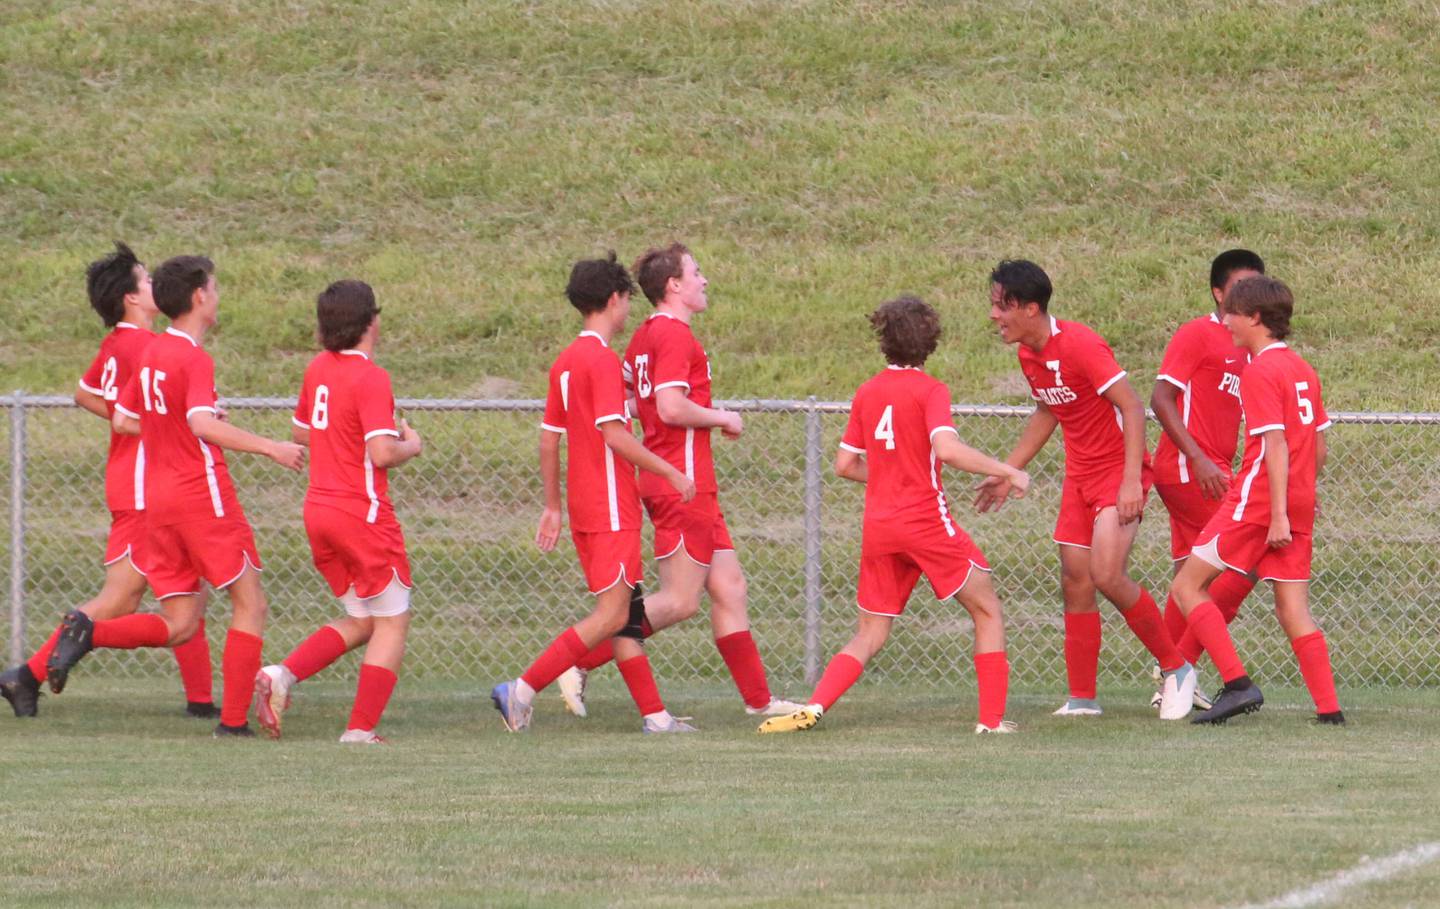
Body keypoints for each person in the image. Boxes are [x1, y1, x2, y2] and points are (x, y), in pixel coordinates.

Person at [44, 254, 305, 737]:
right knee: (251, 603)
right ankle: (232, 722)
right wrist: (270, 446)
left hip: (158, 504)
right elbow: (201, 423)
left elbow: (123, 419)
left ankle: (90, 630)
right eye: (216, 288)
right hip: (201, 498)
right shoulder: (193, 356)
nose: (218, 296)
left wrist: (179, 420)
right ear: (200, 297)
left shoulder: (148, 354)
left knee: (181, 622)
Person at [759, 296, 1028, 735]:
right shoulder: (931, 390)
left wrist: (889, 477)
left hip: (880, 527)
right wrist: (1008, 469)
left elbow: (845, 465)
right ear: (930, 340)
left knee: (869, 632)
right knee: (987, 610)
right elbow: (947, 449)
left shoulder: (868, 391)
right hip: (924, 522)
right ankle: (991, 722)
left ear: (884, 340)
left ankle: (815, 707)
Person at [560, 244, 799, 720]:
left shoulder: (645, 336)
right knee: (679, 601)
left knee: (729, 587)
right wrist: (723, 417)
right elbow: (669, 406)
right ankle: (577, 661)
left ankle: (759, 701)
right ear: (674, 285)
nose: (704, 280)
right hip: (681, 485)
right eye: (696, 272)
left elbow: (632, 398)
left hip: (684, 483)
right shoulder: (672, 337)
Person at [1, 243, 215, 719]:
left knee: (173, 587)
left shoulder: (117, 343)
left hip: (128, 481)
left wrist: (138, 421)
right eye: (146, 280)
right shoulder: (147, 346)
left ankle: (201, 701)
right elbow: (124, 418)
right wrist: (167, 427)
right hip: (148, 486)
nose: (155, 285)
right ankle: (30, 673)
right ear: (131, 299)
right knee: (128, 597)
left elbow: (85, 393)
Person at [490, 253, 698, 734]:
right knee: (610, 615)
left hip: (586, 506)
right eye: (627, 300)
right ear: (614, 300)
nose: (628, 310)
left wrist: (552, 506)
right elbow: (616, 436)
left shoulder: (565, 361)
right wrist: (671, 471)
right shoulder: (602, 360)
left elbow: (548, 438)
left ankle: (656, 716)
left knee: (623, 614)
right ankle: (520, 689)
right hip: (610, 505)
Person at [979, 259, 1195, 718]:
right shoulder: (1028, 354)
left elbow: (1134, 408)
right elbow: (1048, 412)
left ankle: (1177, 668)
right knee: (1076, 582)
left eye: (1002, 306)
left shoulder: (1079, 344)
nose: (994, 315)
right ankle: (1082, 700)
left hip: (1117, 474)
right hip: (1080, 477)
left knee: (1106, 574)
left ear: (1031, 308)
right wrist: (1007, 470)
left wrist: (1132, 480)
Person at [1161, 276, 1342, 724]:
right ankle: (1329, 711)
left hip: (1260, 502)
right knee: (1292, 608)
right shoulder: (1302, 368)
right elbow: (1317, 446)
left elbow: (1275, 444)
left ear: (1256, 318)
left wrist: (1277, 513)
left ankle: (1238, 685)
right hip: (1296, 501)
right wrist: (1299, 496)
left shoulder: (1259, 370)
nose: (1226, 322)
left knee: (1187, 586)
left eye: (1233, 314)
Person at [252, 280, 421, 744]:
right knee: (393, 620)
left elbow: (303, 432)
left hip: (318, 511)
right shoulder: (372, 377)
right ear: (370, 321)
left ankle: (280, 676)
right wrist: (413, 445)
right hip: (360, 514)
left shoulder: (318, 369)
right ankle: (360, 730)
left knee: (365, 619)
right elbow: (383, 453)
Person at [1149, 249, 1266, 709]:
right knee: (1243, 560)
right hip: (1189, 470)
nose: (1247, 294)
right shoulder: (1198, 333)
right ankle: (1192, 673)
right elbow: (1161, 398)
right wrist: (1197, 458)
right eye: (1238, 287)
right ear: (1218, 292)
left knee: (1188, 577)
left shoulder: (1246, 344)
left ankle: (1173, 673)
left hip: (1215, 470)